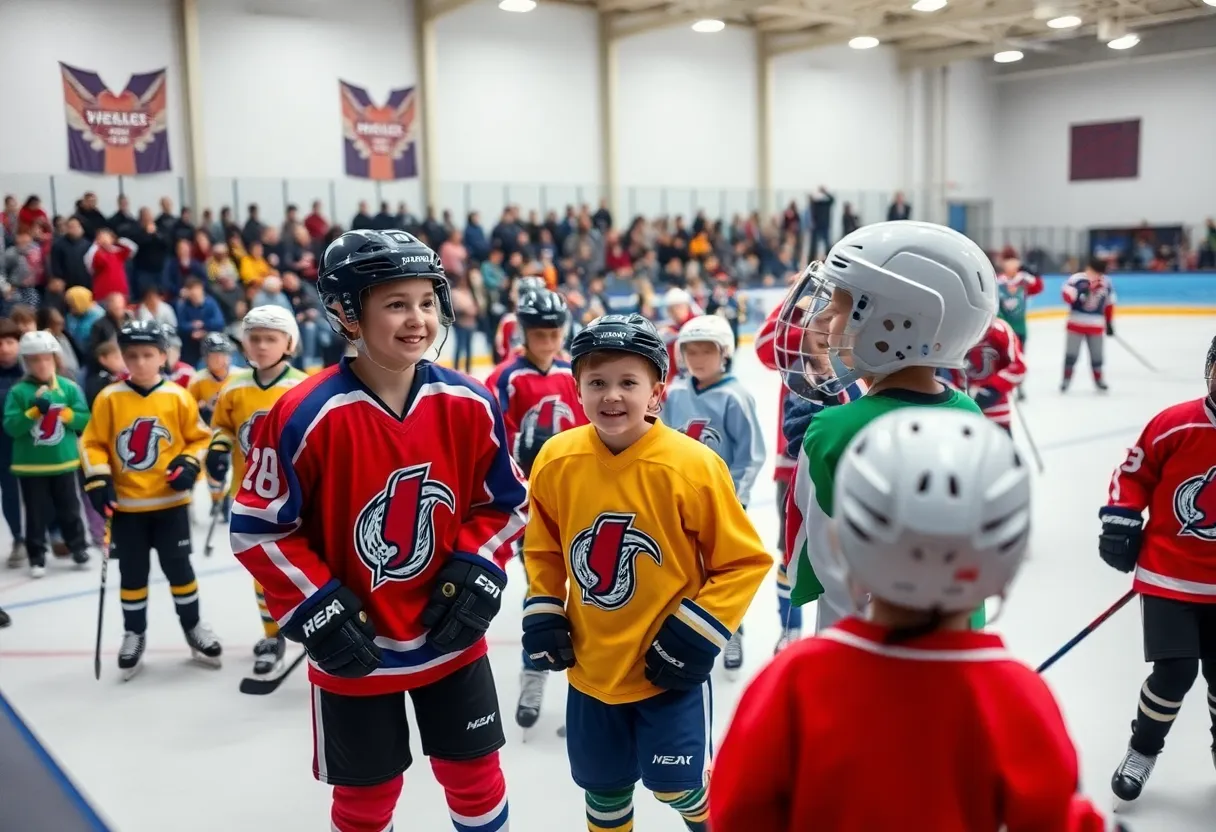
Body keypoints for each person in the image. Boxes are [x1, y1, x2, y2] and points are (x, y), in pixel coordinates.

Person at [231, 229, 526, 832]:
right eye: (395, 303)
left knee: (475, 779)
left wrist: (479, 567)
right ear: (346, 313)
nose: (417, 319)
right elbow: (260, 528)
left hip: (450, 641)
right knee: (366, 801)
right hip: (356, 652)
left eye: (426, 301)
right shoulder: (303, 413)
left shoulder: (470, 401)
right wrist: (315, 605)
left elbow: (506, 503)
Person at [708, 409, 1122, 832]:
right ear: (1006, 558)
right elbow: (1054, 819)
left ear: (843, 542)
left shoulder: (795, 679)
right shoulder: (1017, 696)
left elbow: (738, 813)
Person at [521, 313, 771, 832]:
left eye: (628, 383)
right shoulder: (556, 459)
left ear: (657, 394)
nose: (612, 395)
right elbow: (543, 547)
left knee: (679, 786)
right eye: (597, 382)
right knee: (603, 787)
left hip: (668, 671)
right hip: (591, 669)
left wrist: (699, 632)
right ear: (577, 390)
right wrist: (543, 605)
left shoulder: (693, 466)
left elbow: (744, 560)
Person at [772, 221, 995, 632]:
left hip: (858, 646)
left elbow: (810, 552)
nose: (825, 319)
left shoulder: (833, 430)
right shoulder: (968, 413)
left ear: (894, 325)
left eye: (839, 308)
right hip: (958, 638)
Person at [1098, 336, 1216, 804]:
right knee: (1175, 671)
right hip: (1170, 575)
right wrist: (1121, 518)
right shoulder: (1175, 424)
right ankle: (1142, 751)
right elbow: (1132, 474)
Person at [81, 319, 221, 680]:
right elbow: (93, 443)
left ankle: (193, 626)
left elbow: (199, 437)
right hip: (127, 508)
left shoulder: (177, 396)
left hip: (170, 506)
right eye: (132, 355)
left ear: (163, 356)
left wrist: (189, 463)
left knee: (180, 571)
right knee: (132, 574)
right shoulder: (109, 398)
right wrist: (99, 479)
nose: (140, 362)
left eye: (148, 354)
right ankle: (134, 632)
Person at [490, 288, 587, 730]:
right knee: (542, 590)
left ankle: (584, 690)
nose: (548, 341)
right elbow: (495, 441)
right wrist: (520, 488)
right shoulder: (506, 379)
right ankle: (533, 675)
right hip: (531, 504)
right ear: (524, 334)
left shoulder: (574, 373)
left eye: (554, 333)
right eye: (539, 334)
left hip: (577, 499)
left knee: (587, 592)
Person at [661, 313, 764, 676]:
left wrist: (734, 499)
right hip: (678, 502)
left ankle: (733, 629)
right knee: (684, 569)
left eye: (707, 350)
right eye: (691, 351)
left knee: (724, 571)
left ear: (724, 353)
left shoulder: (735, 397)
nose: (698, 358)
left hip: (722, 504)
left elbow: (750, 456)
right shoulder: (674, 394)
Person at [205, 307, 306, 675]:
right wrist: (218, 450)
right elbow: (222, 426)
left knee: (305, 566)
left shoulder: (303, 387)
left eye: (270, 339)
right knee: (264, 572)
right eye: (255, 338)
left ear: (289, 343)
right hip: (251, 498)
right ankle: (272, 635)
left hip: (297, 497)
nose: (262, 346)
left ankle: (313, 624)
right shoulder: (233, 388)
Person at [2, 331, 91, 576]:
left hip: (63, 461)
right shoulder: (18, 392)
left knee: (70, 509)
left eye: (46, 358)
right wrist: (32, 412)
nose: (41, 364)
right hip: (31, 466)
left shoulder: (68, 387)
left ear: (55, 359)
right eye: (34, 360)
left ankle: (78, 547)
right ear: (26, 363)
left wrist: (67, 415)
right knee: (35, 513)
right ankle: (37, 556)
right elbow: (12, 426)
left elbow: (85, 419)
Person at [942, 317, 1026, 435]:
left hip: (997, 413)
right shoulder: (952, 333)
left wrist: (993, 389)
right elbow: (944, 375)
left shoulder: (999, 330)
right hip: (963, 417)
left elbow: (1019, 366)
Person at [1061, 257, 1116, 393]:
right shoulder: (1077, 279)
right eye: (1093, 272)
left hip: (1095, 326)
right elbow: (1067, 296)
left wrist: (1109, 322)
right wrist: (1081, 292)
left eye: (1099, 273)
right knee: (1071, 354)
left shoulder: (1106, 283)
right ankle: (1066, 380)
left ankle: (1099, 380)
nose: (1096, 275)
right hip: (1076, 324)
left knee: (1097, 356)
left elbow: (1109, 304)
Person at [996, 256, 1043, 401]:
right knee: (1001, 358)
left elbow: (1038, 287)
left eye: (1014, 265)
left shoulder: (1024, 281)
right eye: (1008, 264)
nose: (1011, 267)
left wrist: (1032, 273)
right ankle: (999, 386)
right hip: (1003, 329)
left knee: (1018, 358)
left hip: (1020, 329)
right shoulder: (998, 282)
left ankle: (1019, 386)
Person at [0, 320, 26, 568]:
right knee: (9, 493)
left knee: (45, 490)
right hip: (4, 445)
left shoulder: (32, 369)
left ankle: (53, 533)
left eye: (10, 342)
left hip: (33, 442)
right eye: (0, 343)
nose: (5, 348)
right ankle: (19, 538)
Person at [187, 333, 234, 426]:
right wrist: (202, 408)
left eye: (222, 354)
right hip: (209, 426)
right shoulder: (197, 380)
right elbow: (188, 411)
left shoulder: (240, 377)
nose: (218, 359)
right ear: (205, 358)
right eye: (214, 355)